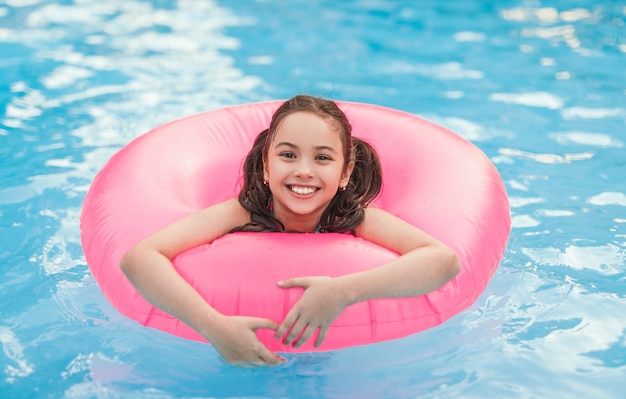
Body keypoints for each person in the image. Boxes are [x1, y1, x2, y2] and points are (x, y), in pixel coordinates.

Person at [121, 95, 461, 367]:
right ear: (266, 166)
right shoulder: (243, 212)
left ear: (345, 173)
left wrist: (345, 291)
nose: (303, 171)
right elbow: (140, 257)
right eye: (288, 155)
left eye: (323, 159)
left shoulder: (351, 217)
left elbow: (442, 261)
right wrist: (215, 327)